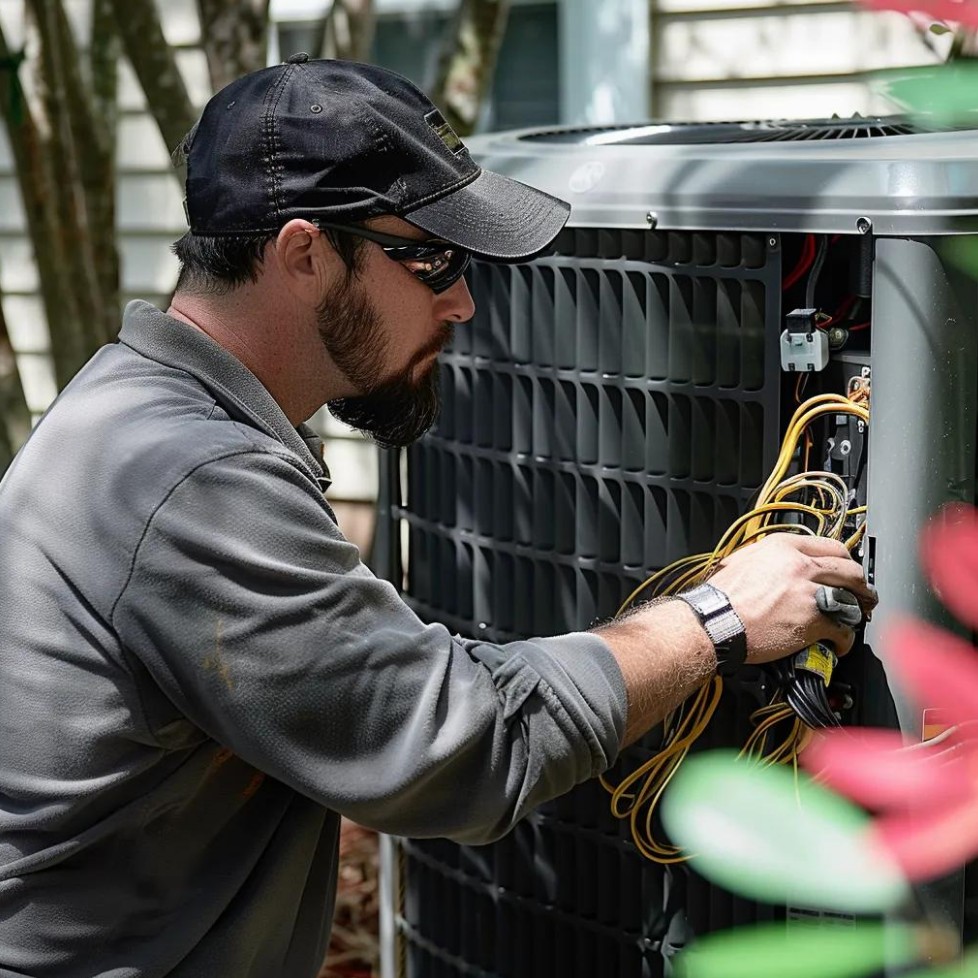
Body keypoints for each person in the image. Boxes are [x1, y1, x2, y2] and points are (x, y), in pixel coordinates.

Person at [0, 56, 875, 978]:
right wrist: (722, 615)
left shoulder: (130, 414)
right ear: (304, 255)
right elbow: (464, 747)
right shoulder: (191, 478)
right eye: (431, 257)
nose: (460, 299)